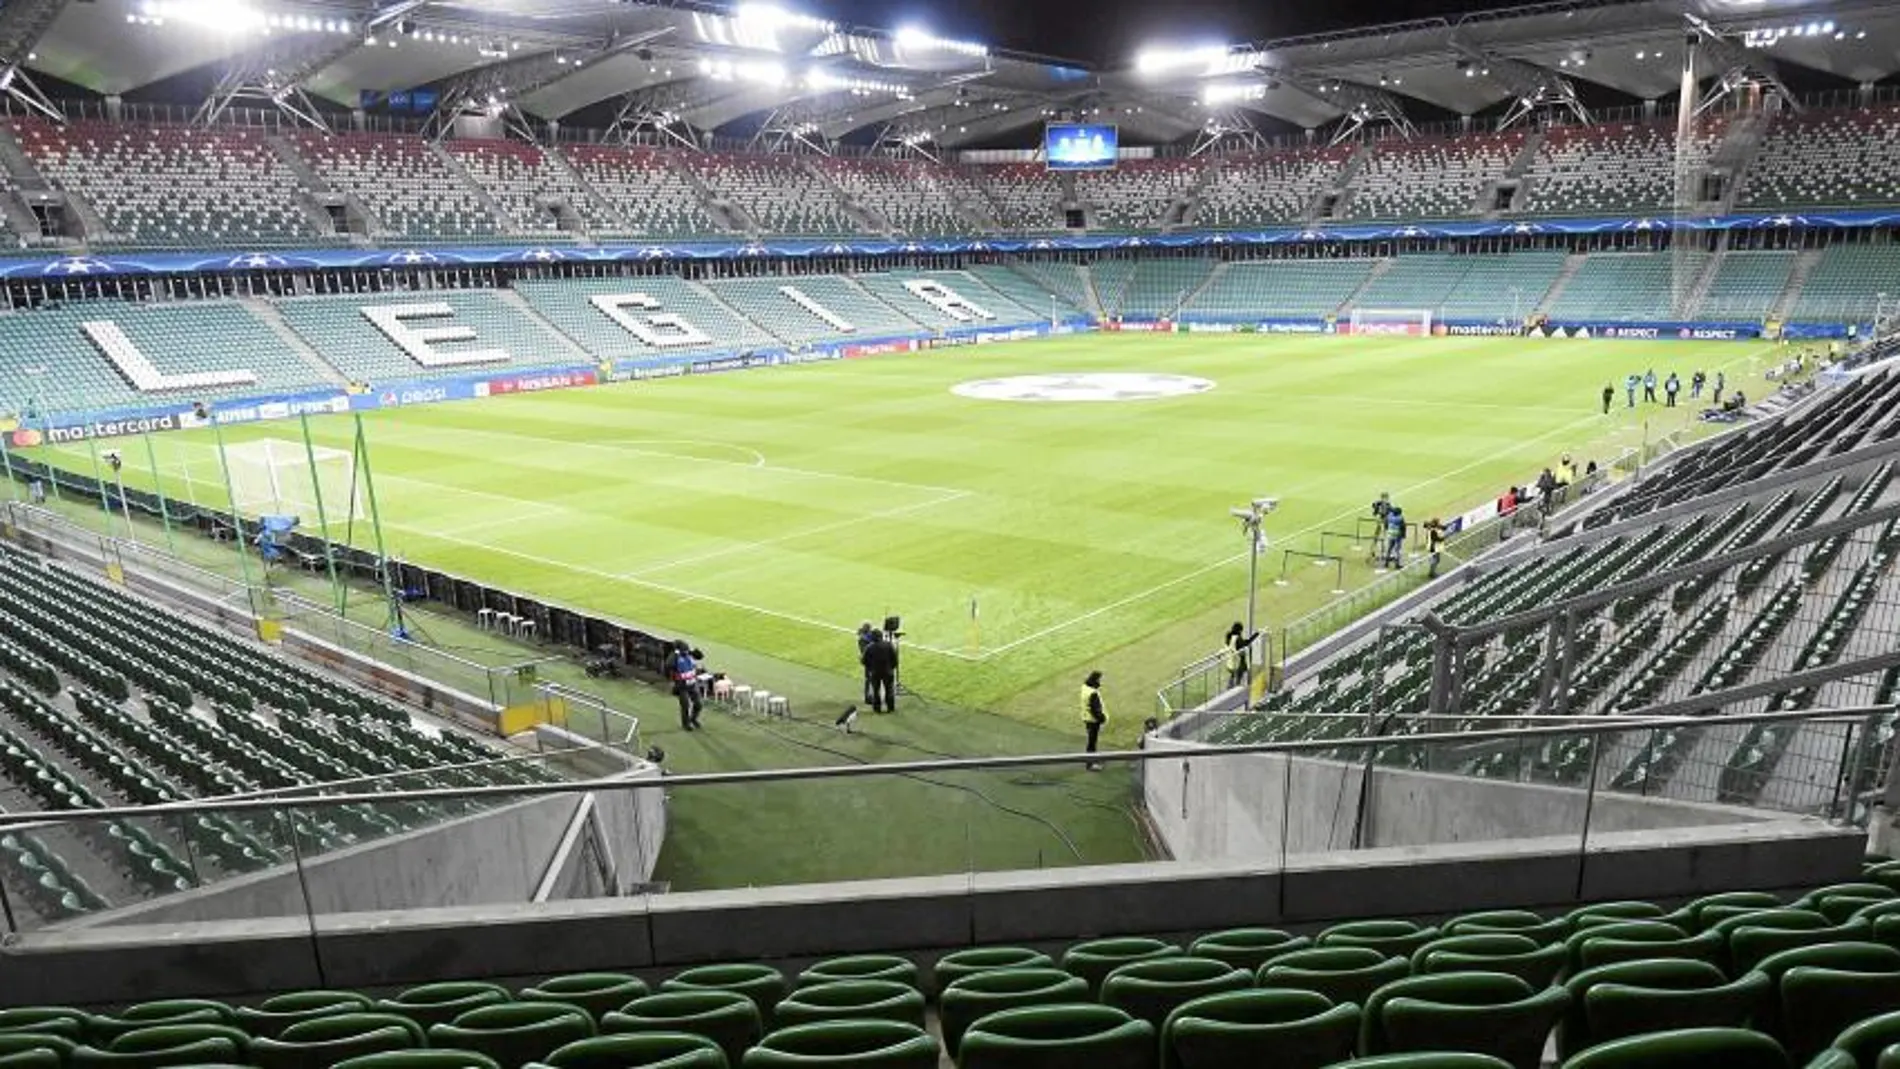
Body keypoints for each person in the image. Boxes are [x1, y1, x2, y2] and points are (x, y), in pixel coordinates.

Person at [862, 628, 898, 713]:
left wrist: (870, 668)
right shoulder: (889, 645)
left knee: (875, 691)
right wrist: (891, 668)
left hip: (875, 672)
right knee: (889, 689)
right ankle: (890, 708)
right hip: (888, 671)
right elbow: (894, 659)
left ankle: (877, 709)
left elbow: (864, 661)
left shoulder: (869, 647)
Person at [670, 641, 703, 731]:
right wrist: (675, 653)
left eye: (687, 649)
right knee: (685, 706)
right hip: (682, 687)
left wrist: (694, 651)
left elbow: (700, 656)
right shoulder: (675, 657)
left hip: (692, 684)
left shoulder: (689, 654)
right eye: (684, 650)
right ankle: (686, 724)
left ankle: (693, 719)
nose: (686, 651)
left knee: (698, 704)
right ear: (679, 650)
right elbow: (669, 664)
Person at [1079, 670, 1107, 771]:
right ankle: (1090, 764)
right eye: (1100, 679)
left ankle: (1092, 760)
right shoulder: (1093, 693)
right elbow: (1095, 709)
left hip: (1087, 718)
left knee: (1092, 741)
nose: (1101, 681)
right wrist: (1102, 718)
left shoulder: (1085, 688)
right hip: (1093, 721)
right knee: (1092, 742)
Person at [1222, 622, 1255, 688]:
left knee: (1233, 675)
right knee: (1238, 678)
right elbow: (1245, 644)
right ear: (1239, 630)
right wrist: (1255, 635)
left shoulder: (1228, 636)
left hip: (1229, 662)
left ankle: (1229, 687)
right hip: (1237, 664)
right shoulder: (1237, 638)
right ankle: (1235, 688)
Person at [856, 622, 875, 704]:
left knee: (870, 679)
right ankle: (868, 697)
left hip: (869, 661)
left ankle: (870, 696)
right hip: (869, 662)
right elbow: (865, 651)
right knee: (869, 679)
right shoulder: (863, 640)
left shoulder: (864, 637)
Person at [1382, 504, 1405, 569]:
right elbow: (1403, 527)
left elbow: (1386, 523)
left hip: (1390, 534)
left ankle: (1386, 563)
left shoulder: (1389, 517)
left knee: (1389, 549)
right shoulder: (1400, 518)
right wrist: (1403, 535)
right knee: (1397, 550)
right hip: (1397, 535)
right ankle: (1397, 564)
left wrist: (1387, 529)